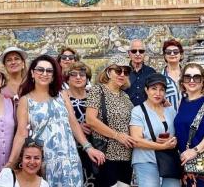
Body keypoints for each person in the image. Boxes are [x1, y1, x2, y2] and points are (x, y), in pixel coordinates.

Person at [8, 55, 104, 187]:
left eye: (49, 71)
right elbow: (21, 134)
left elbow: (73, 123)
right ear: (32, 73)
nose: (44, 74)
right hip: (45, 162)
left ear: (53, 75)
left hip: (69, 160)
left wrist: (88, 148)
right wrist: (10, 163)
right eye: (40, 70)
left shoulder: (61, 94)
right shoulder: (25, 100)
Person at [86, 56, 135, 187]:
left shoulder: (125, 96)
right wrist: (117, 136)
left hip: (126, 156)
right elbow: (90, 120)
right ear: (108, 72)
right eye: (118, 71)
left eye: (126, 72)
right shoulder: (98, 90)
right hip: (106, 154)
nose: (122, 74)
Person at [173, 63, 204, 187]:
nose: (191, 80)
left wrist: (195, 151)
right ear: (182, 81)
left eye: (196, 77)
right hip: (186, 165)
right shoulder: (182, 102)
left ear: (203, 82)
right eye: (187, 77)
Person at [130, 73, 179, 187]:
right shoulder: (138, 111)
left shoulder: (170, 110)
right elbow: (136, 140)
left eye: (161, 90)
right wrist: (162, 146)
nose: (158, 93)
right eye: (153, 88)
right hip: (146, 159)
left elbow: (176, 134)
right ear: (146, 90)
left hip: (168, 160)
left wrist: (174, 141)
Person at [67, 61, 97, 187]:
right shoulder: (61, 96)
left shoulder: (93, 95)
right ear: (67, 78)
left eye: (82, 74)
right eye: (73, 74)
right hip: (70, 148)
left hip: (93, 146)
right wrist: (76, 126)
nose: (78, 77)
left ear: (87, 78)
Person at [125, 39, 155, 107]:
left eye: (141, 51)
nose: (137, 54)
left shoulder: (151, 72)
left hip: (146, 112)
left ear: (145, 53)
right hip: (126, 112)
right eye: (134, 51)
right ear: (129, 53)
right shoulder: (122, 72)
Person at [161, 39, 184, 110]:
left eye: (176, 52)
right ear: (164, 55)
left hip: (188, 117)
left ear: (181, 54)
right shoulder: (160, 77)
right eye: (168, 52)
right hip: (167, 117)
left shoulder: (188, 75)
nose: (172, 54)